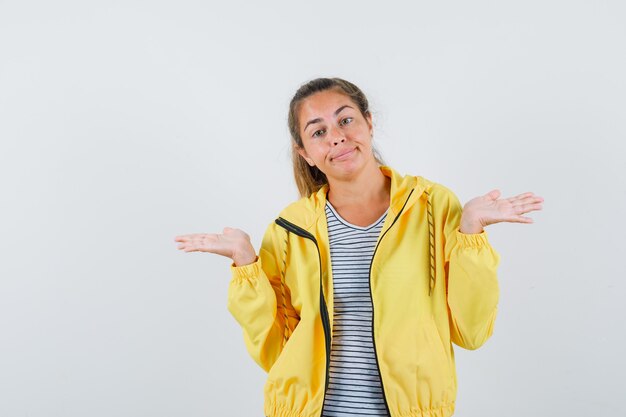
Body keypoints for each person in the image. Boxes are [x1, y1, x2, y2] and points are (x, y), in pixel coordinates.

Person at [174, 78, 544, 417]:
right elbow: (274, 350)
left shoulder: (432, 206)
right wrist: (246, 264)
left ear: (369, 123)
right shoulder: (290, 229)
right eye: (318, 131)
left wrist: (470, 233)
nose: (336, 137)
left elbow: (471, 332)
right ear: (304, 152)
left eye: (345, 120)